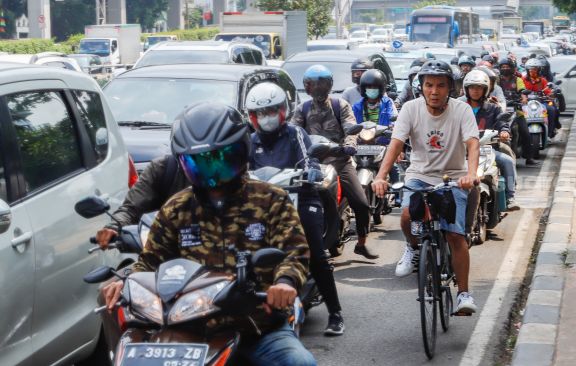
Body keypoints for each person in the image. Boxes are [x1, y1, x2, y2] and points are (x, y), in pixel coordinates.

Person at [101, 101, 316, 366]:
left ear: (241, 152)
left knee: (299, 363)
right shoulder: (176, 208)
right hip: (187, 329)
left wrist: (285, 283)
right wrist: (127, 282)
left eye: (221, 160)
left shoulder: (271, 200)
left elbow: (294, 252)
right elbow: (149, 263)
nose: (212, 175)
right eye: (199, 164)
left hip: (257, 326)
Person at [370, 60, 480, 315]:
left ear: (450, 88)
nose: (434, 91)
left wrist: (471, 174)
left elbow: (472, 144)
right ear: (421, 87)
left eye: (440, 85)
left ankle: (464, 292)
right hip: (419, 175)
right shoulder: (410, 109)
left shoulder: (462, 111)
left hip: (453, 178)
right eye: (428, 85)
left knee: (455, 235)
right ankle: (412, 247)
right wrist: (380, 176)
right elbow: (396, 143)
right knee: (408, 216)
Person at [246, 82, 345, 336]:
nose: (265, 117)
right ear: (252, 116)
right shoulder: (251, 141)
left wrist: (311, 169)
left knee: (316, 253)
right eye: (260, 113)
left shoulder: (295, 134)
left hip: (302, 197)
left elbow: (307, 158)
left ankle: (335, 314)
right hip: (264, 206)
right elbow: (240, 169)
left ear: (282, 111)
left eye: (271, 110)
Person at [291, 65, 378, 260]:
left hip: (340, 161)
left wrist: (349, 143)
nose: (318, 88)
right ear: (307, 87)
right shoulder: (302, 109)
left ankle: (361, 242)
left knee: (361, 203)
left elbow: (349, 126)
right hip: (312, 164)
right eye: (313, 84)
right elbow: (293, 133)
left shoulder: (340, 105)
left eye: (322, 84)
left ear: (329, 85)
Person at [458, 70, 519, 210]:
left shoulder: (493, 108)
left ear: (485, 90)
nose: (475, 91)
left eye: (479, 87)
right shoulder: (459, 107)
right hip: (463, 151)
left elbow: (502, 123)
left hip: (487, 149)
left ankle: (510, 197)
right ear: (466, 89)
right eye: (472, 87)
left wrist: (504, 131)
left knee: (507, 160)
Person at [497, 58, 540, 166]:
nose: (505, 68)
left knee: (525, 132)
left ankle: (529, 157)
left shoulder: (518, 80)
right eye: (503, 67)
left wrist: (524, 98)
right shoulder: (497, 80)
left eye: (507, 66)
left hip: (516, 109)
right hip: (500, 109)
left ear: (512, 68)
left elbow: (522, 91)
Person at [522, 58, 560, 138]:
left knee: (551, 110)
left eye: (535, 69)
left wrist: (551, 95)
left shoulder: (543, 80)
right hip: (526, 103)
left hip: (541, 102)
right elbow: (520, 91)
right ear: (527, 70)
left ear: (539, 70)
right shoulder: (523, 80)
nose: (533, 71)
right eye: (531, 70)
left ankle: (549, 133)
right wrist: (523, 97)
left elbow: (548, 92)